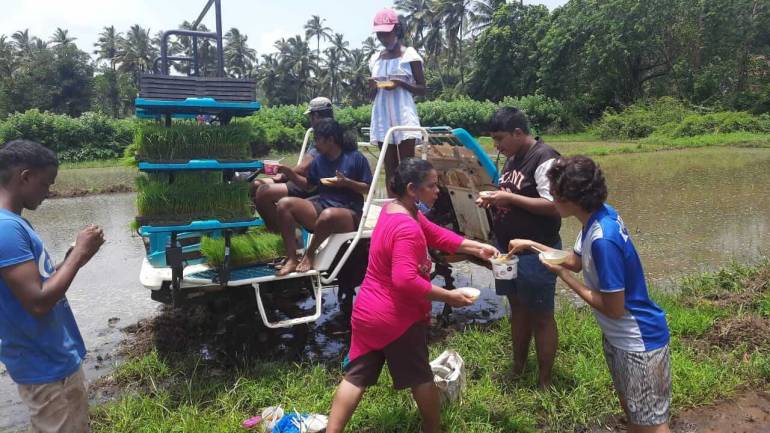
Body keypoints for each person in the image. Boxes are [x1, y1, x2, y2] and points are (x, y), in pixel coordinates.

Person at [326, 158, 498, 433]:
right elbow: (404, 281)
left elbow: (436, 234)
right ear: (411, 189)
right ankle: (433, 430)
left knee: (355, 378)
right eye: (431, 186)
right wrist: (450, 296)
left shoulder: (394, 211)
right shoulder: (407, 228)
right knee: (421, 378)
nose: (437, 190)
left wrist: (477, 247)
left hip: (367, 312)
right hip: (397, 318)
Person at [509, 156, 672, 433]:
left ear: (569, 199)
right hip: (620, 338)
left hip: (638, 342)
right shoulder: (599, 216)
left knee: (652, 426)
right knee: (635, 414)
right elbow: (573, 260)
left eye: (553, 193)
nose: (550, 198)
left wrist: (563, 277)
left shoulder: (602, 240)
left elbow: (613, 308)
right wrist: (532, 245)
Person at [0, 140, 105, 433]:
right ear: (25, 177)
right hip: (41, 365)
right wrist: (80, 254)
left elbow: (43, 281)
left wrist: (75, 258)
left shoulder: (17, 224)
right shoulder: (5, 229)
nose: (49, 192)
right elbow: (38, 301)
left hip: (55, 357)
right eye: (46, 183)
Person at [476, 107, 561, 388]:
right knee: (517, 309)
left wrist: (508, 200)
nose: (496, 146)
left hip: (536, 252)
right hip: (507, 252)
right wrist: (496, 198)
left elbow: (555, 206)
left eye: (499, 139)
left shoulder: (544, 158)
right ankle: (519, 367)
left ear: (518, 133)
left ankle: (545, 381)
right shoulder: (512, 160)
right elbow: (512, 193)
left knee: (541, 316)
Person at [275, 119, 373, 276]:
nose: (315, 145)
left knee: (328, 215)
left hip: (349, 213)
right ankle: (292, 259)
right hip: (323, 205)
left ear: (331, 140)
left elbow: (368, 188)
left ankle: (309, 253)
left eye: (318, 140)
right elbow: (309, 186)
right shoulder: (319, 161)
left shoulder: (356, 158)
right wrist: (290, 173)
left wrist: (347, 183)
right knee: (284, 204)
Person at [368, 8, 427, 196]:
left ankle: (410, 208)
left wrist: (401, 83)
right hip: (382, 117)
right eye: (380, 34)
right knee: (390, 167)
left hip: (403, 115)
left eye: (387, 33)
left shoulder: (409, 55)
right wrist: (372, 87)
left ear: (397, 29)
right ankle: (393, 209)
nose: (384, 37)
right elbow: (371, 96)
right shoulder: (375, 59)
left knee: (407, 168)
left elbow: (422, 89)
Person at [253, 97, 334, 231]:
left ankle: (281, 233)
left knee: (263, 192)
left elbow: (303, 168)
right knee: (256, 185)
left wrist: (284, 175)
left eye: (311, 117)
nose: (310, 121)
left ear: (316, 116)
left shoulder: (326, 135)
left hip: (311, 184)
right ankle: (277, 227)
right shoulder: (324, 132)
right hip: (306, 180)